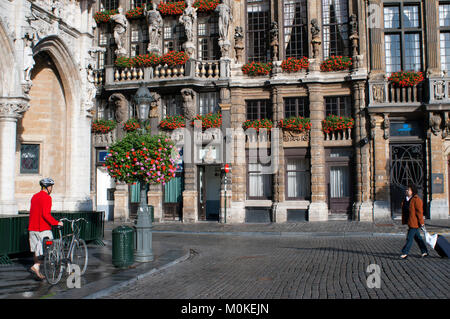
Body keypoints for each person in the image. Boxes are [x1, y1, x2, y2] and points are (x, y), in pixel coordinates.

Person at [28, 178, 63, 279]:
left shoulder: (34, 196)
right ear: (48, 187)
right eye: (51, 187)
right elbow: (45, 214)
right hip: (43, 229)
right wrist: (57, 223)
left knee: (36, 249)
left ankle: (37, 270)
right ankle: (41, 266)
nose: (51, 189)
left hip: (32, 228)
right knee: (49, 248)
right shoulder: (47, 198)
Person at [400, 184, 428, 259]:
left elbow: (419, 213)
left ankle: (405, 252)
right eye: (406, 189)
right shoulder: (406, 199)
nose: (406, 191)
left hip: (414, 222)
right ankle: (424, 251)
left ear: (412, 191)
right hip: (409, 222)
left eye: (408, 190)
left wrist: (422, 223)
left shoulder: (416, 200)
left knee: (409, 238)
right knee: (418, 238)